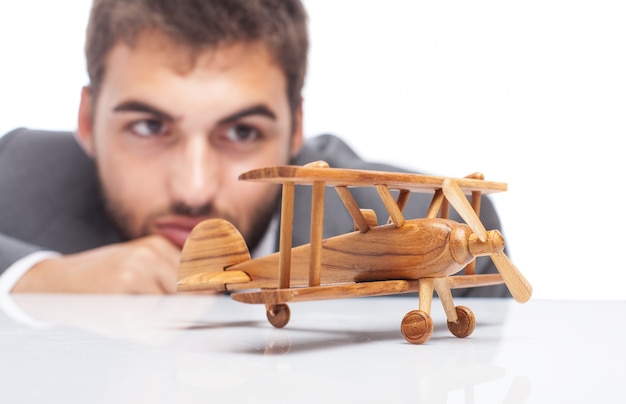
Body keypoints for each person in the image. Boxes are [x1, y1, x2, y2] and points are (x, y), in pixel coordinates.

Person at [0, 0, 509, 297]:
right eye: (150, 126)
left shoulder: (438, 225)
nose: (194, 190)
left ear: (296, 132)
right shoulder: (16, 176)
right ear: (87, 122)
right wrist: (33, 278)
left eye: (242, 132)